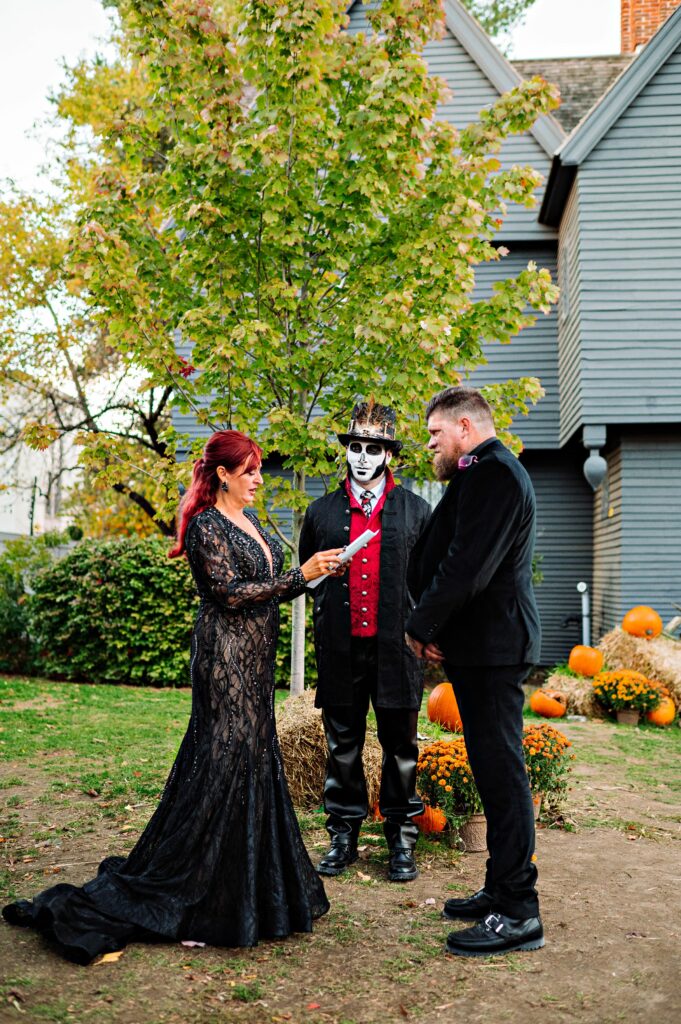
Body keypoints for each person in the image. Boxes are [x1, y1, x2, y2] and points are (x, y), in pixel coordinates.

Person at [2, 430, 344, 964]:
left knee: (254, 757)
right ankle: (192, 886)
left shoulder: (252, 521)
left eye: (259, 469)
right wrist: (299, 576)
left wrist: (312, 572)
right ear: (224, 474)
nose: (259, 478)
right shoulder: (206, 525)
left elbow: (271, 582)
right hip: (223, 660)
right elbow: (229, 595)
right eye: (250, 470)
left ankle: (250, 893)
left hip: (255, 663)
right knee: (223, 759)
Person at [405, 386, 544, 958]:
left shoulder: (496, 475)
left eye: (436, 433)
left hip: (493, 649)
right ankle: (498, 889)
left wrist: (421, 626)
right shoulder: (481, 471)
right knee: (491, 771)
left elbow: (468, 567)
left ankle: (518, 911)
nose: (431, 444)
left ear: (465, 426)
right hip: (479, 647)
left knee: (503, 772)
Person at [299, 400, 431, 882]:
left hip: (397, 651)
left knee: (400, 747)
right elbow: (306, 580)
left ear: (388, 454)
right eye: (355, 446)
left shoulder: (417, 511)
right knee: (344, 746)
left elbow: (432, 581)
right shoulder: (321, 512)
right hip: (340, 647)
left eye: (372, 448)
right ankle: (343, 835)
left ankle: (400, 838)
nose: (362, 456)